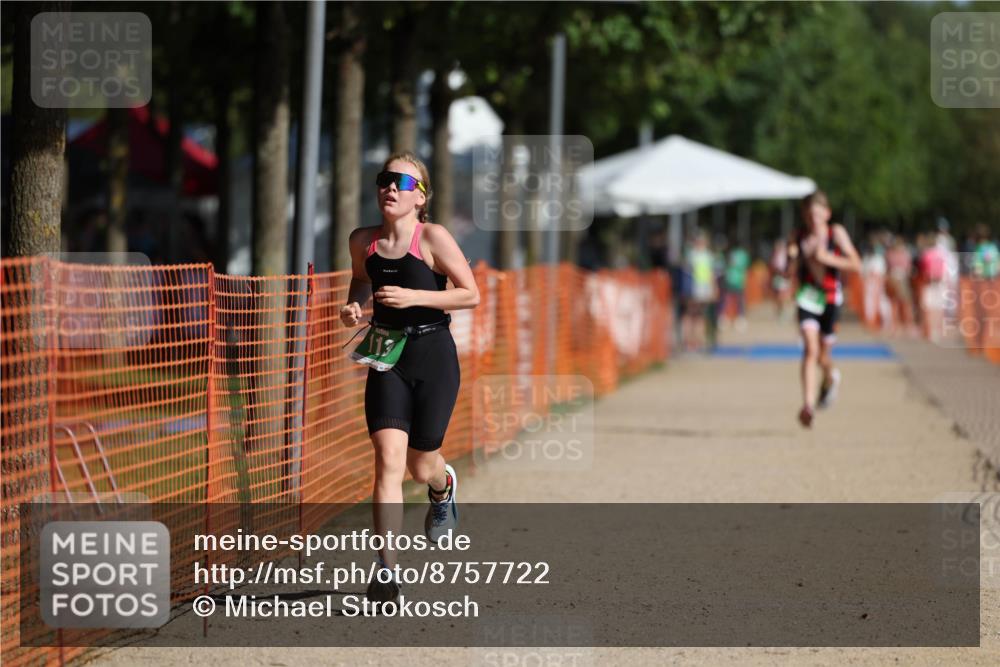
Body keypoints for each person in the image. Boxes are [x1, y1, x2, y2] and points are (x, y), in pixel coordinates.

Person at [341, 151, 480, 603]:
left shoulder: (434, 238)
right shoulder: (362, 240)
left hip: (433, 354)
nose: (390, 187)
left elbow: (470, 294)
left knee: (421, 466)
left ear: (420, 197)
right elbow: (361, 280)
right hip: (387, 356)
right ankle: (386, 573)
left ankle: (443, 485)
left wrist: (414, 297)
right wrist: (354, 305)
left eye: (401, 182)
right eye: (385, 179)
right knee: (388, 461)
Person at [787, 190, 861, 428]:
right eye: (809, 215)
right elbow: (787, 269)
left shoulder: (835, 233)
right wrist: (791, 259)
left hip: (830, 298)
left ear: (827, 214)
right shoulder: (798, 236)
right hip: (807, 297)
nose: (813, 219)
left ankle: (830, 377)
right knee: (810, 349)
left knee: (823, 357)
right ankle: (808, 406)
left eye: (818, 215)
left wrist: (827, 258)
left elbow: (855, 263)